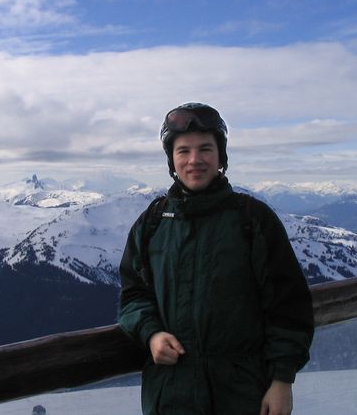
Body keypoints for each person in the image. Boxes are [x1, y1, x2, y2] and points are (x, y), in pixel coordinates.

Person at [118, 103, 314, 415]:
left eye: (205, 149)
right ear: (172, 159)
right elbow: (133, 294)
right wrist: (151, 333)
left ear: (220, 156)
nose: (194, 160)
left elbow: (288, 306)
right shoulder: (153, 223)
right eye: (183, 151)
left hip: (244, 394)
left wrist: (281, 380)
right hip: (171, 394)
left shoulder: (252, 220)